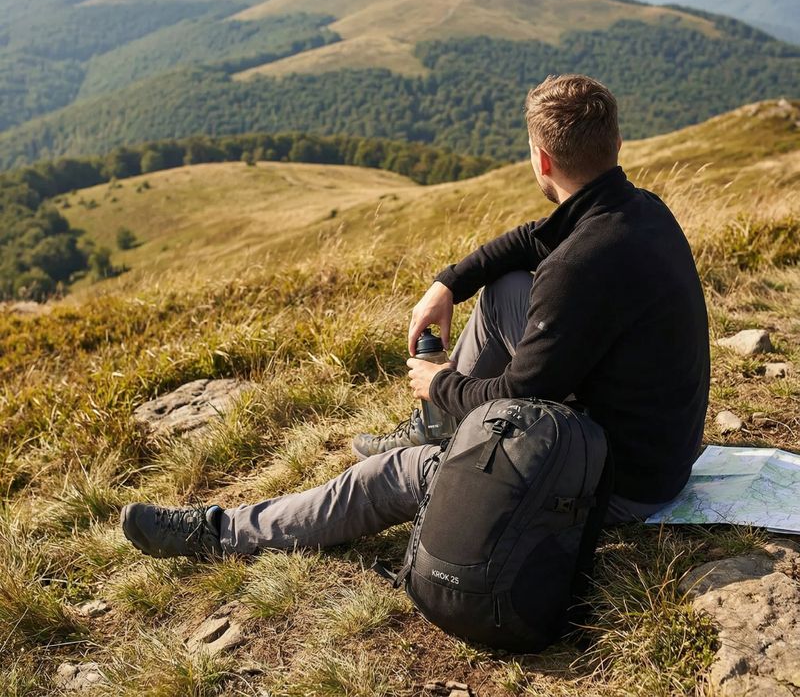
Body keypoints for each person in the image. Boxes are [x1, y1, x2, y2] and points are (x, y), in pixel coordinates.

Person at [120, 74, 710, 559]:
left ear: (542, 159)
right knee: (506, 289)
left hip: (619, 485)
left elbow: (518, 395)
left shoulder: (577, 267)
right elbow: (532, 240)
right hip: (654, 448)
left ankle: (221, 533)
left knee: (391, 476)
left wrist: (438, 383)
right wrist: (448, 283)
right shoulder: (638, 211)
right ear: (616, 144)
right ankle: (439, 426)